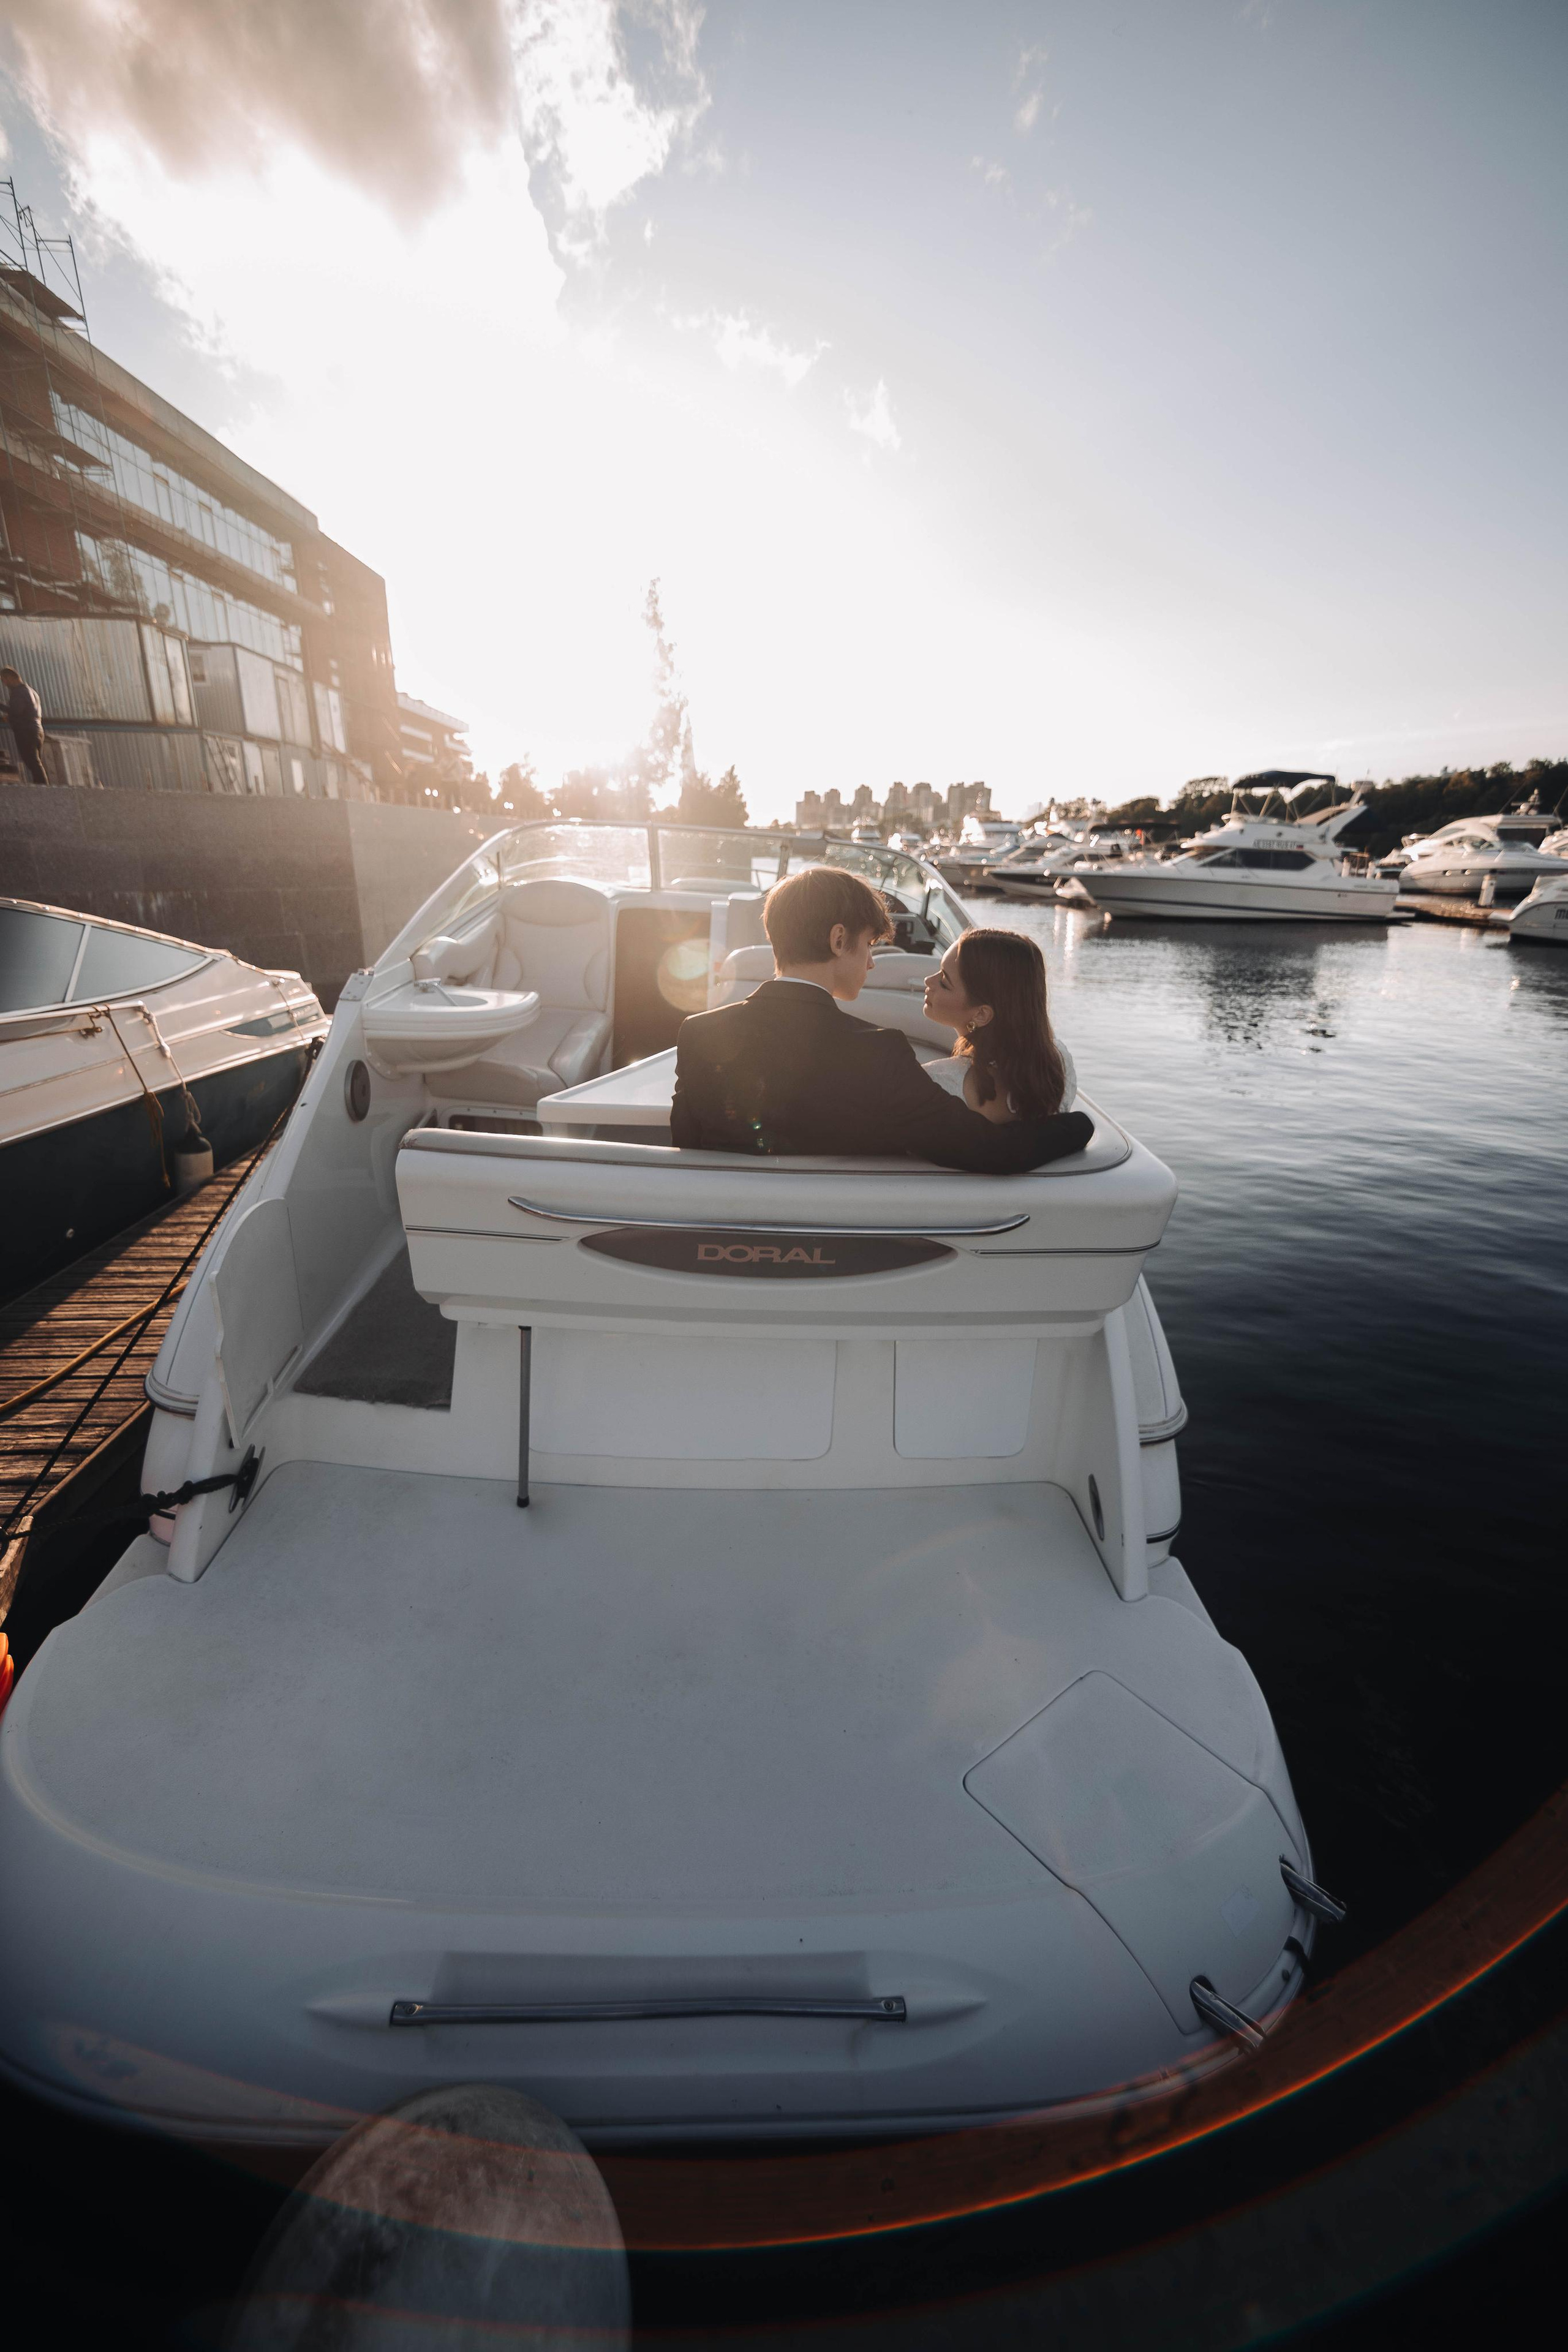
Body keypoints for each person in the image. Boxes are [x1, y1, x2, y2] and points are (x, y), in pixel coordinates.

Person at [669, 865, 1093, 1172]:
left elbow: (687, 1151)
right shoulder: (878, 1054)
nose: (871, 963)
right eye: (869, 945)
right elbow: (994, 1152)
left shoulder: (700, 1034)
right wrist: (1078, 1125)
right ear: (839, 940)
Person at [920, 927, 1076, 1123]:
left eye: (944, 982)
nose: (929, 980)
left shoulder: (936, 1080)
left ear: (981, 1014)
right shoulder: (1059, 1063)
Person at [2, 667, 47, 785]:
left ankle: (43, 789)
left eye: (4, 680)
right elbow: (26, 711)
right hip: (38, 730)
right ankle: (42, 787)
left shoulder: (19, 692)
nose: (4, 684)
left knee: (32, 762)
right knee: (36, 762)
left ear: (10, 678)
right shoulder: (32, 691)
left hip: (26, 731)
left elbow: (16, 711)